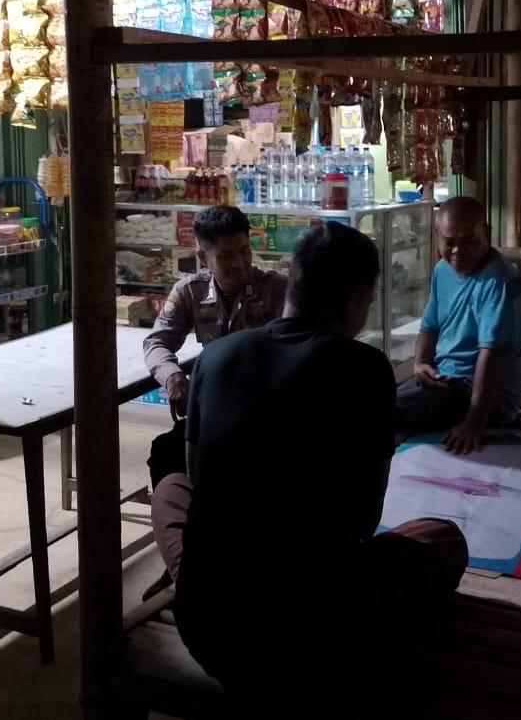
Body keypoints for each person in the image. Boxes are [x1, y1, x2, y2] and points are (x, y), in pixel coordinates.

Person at [151, 222, 468, 712]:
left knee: (172, 488)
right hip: (316, 635)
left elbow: (200, 482)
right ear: (356, 301)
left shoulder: (215, 360)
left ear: (291, 283)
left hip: (209, 630)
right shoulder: (365, 370)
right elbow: (363, 520)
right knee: (443, 538)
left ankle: (201, 577)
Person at [142, 204, 286, 491]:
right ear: (203, 258)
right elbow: (157, 342)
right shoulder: (190, 291)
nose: (239, 263)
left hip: (266, 414)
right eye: (226, 256)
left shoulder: (277, 289)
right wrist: (173, 376)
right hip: (214, 410)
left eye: (244, 251)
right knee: (165, 454)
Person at [397, 196, 521, 454]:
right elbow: (429, 327)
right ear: (437, 237)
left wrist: (473, 424)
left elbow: (491, 357)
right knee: (376, 399)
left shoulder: (498, 281)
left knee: (382, 413)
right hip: (446, 381)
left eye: (469, 241)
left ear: (487, 234)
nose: (457, 251)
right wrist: (420, 364)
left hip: (483, 395)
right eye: (449, 242)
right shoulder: (442, 270)